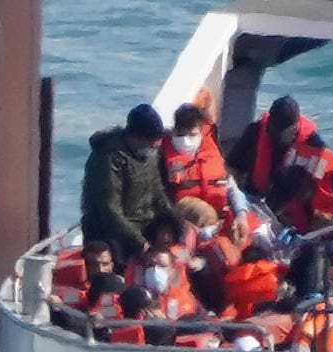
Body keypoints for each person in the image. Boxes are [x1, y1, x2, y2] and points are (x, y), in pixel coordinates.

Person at [81, 105, 176, 256]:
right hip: (112, 234)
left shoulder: (149, 156)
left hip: (144, 226)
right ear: (135, 137)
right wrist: (141, 244)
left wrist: (176, 222)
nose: (153, 150)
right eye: (150, 145)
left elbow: (158, 194)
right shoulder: (108, 159)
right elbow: (110, 210)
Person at [161, 102, 234, 227]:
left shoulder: (210, 146)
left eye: (192, 135)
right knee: (206, 215)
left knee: (244, 223)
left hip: (218, 206)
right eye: (181, 134)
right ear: (175, 130)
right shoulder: (162, 151)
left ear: (201, 130)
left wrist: (241, 212)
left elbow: (231, 185)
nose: (186, 139)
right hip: (182, 206)